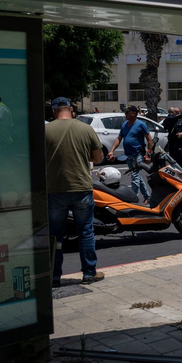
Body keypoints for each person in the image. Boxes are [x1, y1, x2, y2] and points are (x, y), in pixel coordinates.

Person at [45, 97, 104, 286]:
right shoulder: (85, 129)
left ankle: (54, 277)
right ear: (71, 109)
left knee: (55, 234)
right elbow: (98, 157)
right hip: (81, 187)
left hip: (55, 189)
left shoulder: (45, 130)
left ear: (53, 111)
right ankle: (89, 273)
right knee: (86, 231)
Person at [107, 105, 152, 203]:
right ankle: (147, 197)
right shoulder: (124, 125)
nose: (125, 114)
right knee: (137, 177)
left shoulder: (141, 124)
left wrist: (148, 154)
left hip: (138, 154)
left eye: (127, 112)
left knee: (135, 177)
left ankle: (132, 200)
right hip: (128, 155)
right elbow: (119, 138)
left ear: (134, 113)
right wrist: (111, 151)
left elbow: (149, 139)